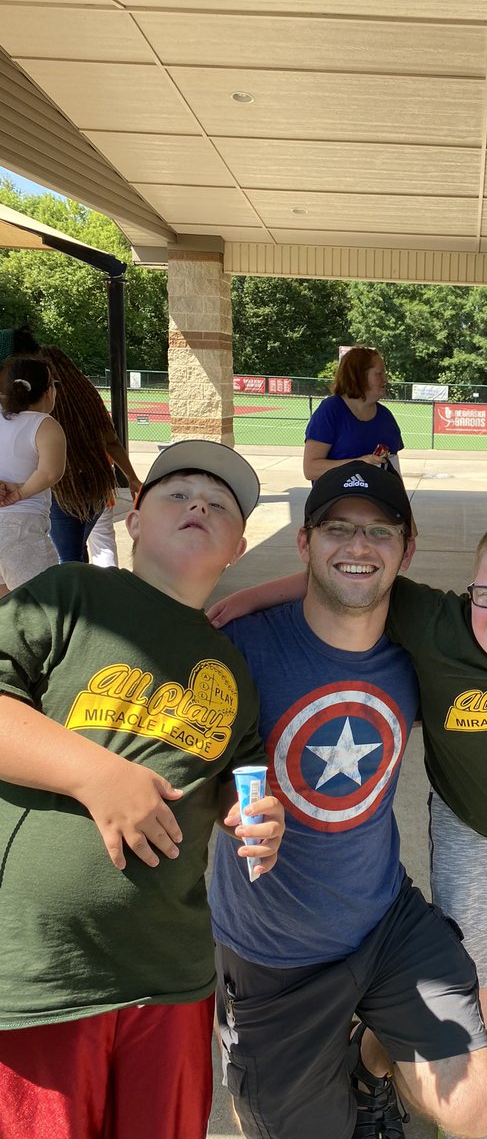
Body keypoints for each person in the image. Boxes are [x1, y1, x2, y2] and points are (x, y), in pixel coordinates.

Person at [211, 513, 487, 1136]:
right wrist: (244, 600)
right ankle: (450, 1057)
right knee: (479, 962)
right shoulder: (441, 624)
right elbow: (352, 583)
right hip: (473, 834)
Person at [0, 440, 286, 1139]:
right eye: (178, 493)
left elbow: (240, 773)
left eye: (220, 505)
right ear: (132, 522)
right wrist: (98, 775)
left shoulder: (231, 666)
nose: (199, 505)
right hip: (47, 969)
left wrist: (255, 810)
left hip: (172, 971)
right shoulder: (73, 593)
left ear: (237, 548)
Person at [42, 346, 142, 562]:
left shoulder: (44, 405)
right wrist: (132, 478)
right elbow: (111, 441)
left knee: (68, 559)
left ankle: (77, 594)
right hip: (97, 489)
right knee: (79, 552)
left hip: (65, 492)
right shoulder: (86, 396)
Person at [0, 356, 66, 594]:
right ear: (48, 392)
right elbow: (50, 472)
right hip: (21, 525)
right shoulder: (44, 424)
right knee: (44, 601)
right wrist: (19, 492)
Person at [303, 346, 404, 481]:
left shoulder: (386, 417)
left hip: (377, 500)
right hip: (337, 499)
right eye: (379, 374)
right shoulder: (332, 410)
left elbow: (393, 470)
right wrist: (358, 465)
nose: (385, 379)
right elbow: (310, 469)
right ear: (359, 376)